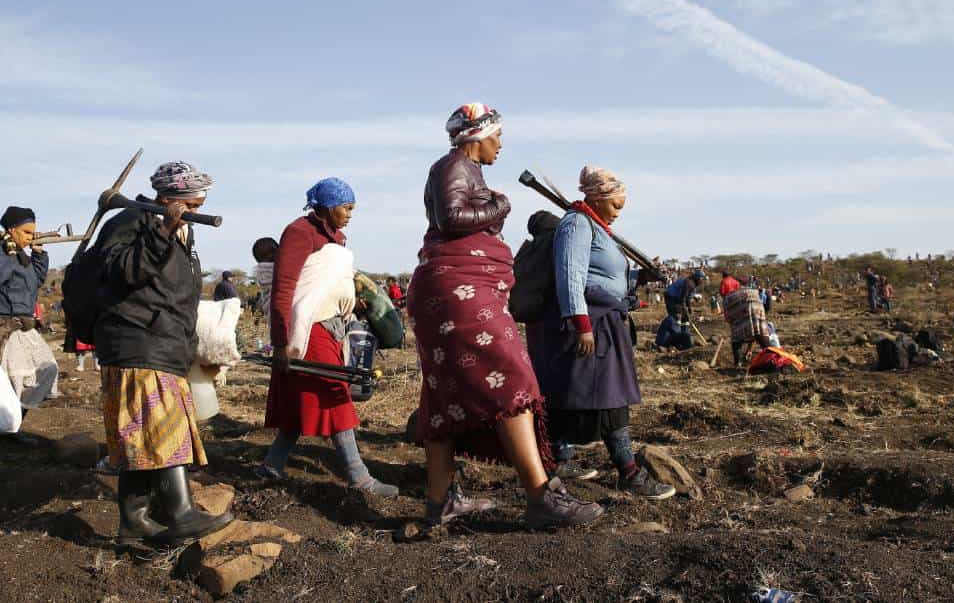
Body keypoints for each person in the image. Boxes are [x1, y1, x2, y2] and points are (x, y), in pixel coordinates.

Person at [407, 103, 603, 529]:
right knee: (512, 377)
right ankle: (540, 496)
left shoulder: (462, 170)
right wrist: (500, 205)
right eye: (497, 135)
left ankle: (438, 504)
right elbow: (451, 217)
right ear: (478, 136)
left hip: (451, 291)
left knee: (444, 395)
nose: (501, 143)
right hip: (457, 292)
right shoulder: (453, 166)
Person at [94, 161, 233, 545]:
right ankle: (180, 514)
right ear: (170, 199)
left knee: (143, 436)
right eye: (193, 203)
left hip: (164, 344)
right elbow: (123, 272)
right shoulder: (131, 222)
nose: (198, 210)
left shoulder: (181, 234)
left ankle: (134, 523)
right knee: (164, 430)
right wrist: (163, 230)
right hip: (138, 343)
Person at [532, 165, 674, 499]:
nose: (618, 213)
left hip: (604, 321)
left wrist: (640, 278)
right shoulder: (576, 224)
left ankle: (559, 459)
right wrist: (581, 326)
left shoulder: (597, 227)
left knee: (581, 394)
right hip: (590, 323)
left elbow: (604, 275)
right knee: (608, 397)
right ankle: (629, 471)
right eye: (616, 206)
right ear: (596, 197)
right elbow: (571, 276)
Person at [255, 178, 397, 497]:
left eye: (352, 209)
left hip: (331, 327)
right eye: (346, 208)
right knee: (333, 394)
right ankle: (358, 475)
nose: (349, 214)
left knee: (300, 396)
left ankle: (272, 464)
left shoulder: (335, 237)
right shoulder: (299, 232)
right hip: (308, 328)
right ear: (327, 207)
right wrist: (280, 343)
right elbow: (285, 288)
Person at [0, 206, 59, 442]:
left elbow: (34, 282)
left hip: (23, 329)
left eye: (32, 233)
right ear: (11, 229)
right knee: (0, 385)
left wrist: (38, 254)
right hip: (0, 327)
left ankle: (11, 427)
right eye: (26, 232)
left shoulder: (19, 254)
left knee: (45, 370)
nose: (30, 236)